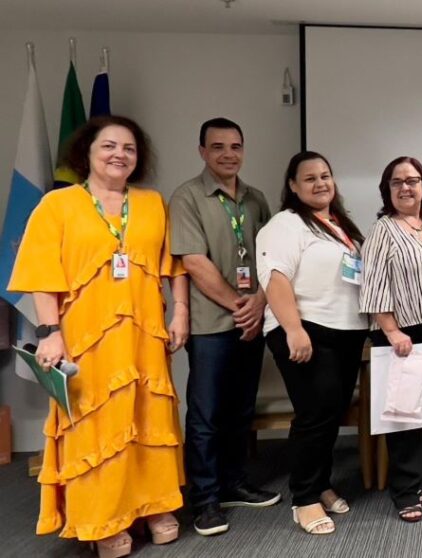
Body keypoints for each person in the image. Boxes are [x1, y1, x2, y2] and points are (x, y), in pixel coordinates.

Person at [8, 115, 189, 558]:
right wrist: (49, 332)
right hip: (85, 338)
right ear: (86, 152)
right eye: (109, 146)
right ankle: (102, 516)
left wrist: (180, 310)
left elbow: (173, 266)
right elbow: (40, 276)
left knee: (149, 417)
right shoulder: (58, 205)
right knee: (95, 424)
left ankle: (154, 505)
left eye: (129, 148)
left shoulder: (151, 202)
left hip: (145, 335)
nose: (119, 155)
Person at [170, 118, 279, 536]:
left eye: (235, 146)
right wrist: (242, 306)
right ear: (202, 151)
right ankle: (205, 499)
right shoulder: (187, 197)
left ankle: (234, 483)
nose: (228, 154)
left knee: (240, 407)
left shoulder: (255, 199)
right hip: (212, 324)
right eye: (217, 147)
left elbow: (271, 256)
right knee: (206, 413)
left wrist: (259, 305)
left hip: (251, 318)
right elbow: (193, 262)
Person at [256, 151, 367, 534]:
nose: (320, 183)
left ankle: (320, 485)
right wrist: (293, 329)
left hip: (346, 331)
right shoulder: (285, 224)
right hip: (305, 329)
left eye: (325, 176)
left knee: (331, 413)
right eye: (309, 178)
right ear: (292, 185)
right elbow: (275, 277)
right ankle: (303, 498)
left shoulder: (340, 225)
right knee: (314, 413)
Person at [361, 156, 422, 521]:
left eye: (412, 180)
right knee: (402, 416)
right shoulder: (383, 229)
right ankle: (404, 492)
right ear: (387, 189)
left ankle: (411, 483)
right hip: (400, 333)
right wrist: (391, 329)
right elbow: (372, 283)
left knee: (416, 413)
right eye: (397, 182)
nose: (406, 187)